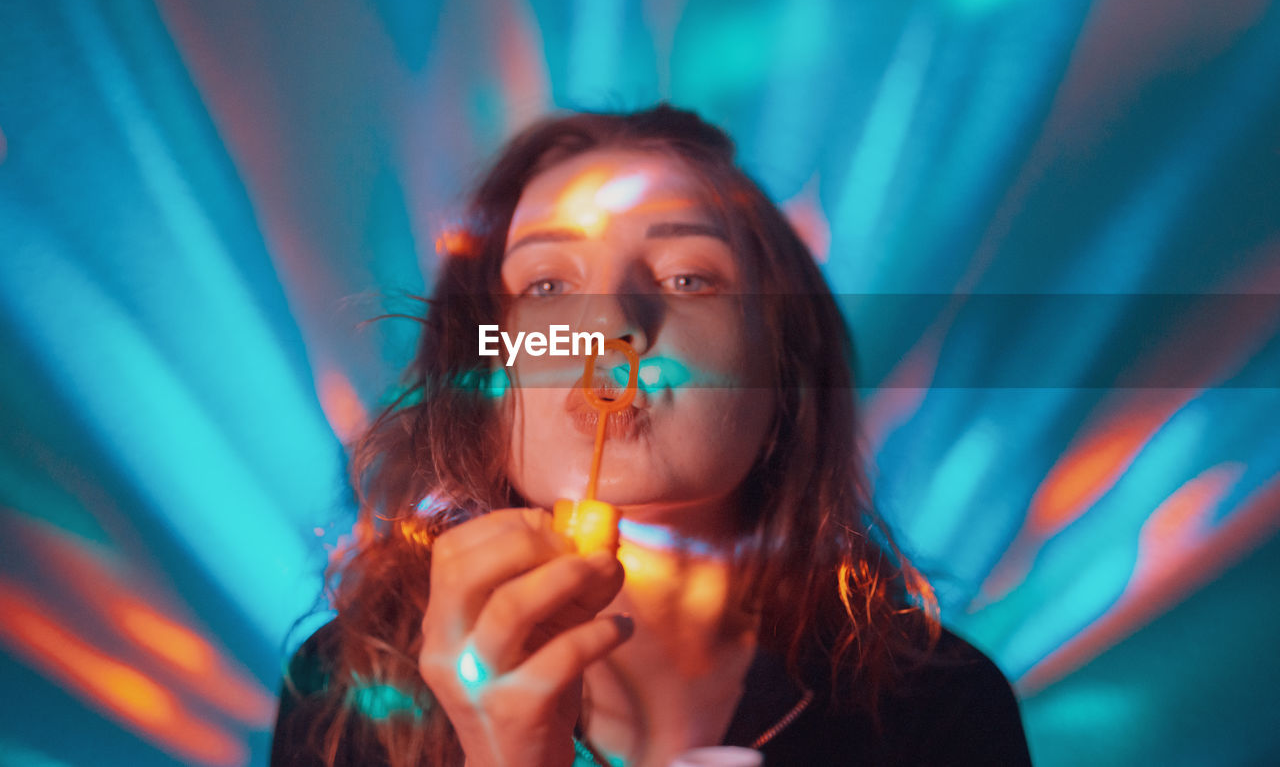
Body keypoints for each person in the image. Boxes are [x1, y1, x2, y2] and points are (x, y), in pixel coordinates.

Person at [269, 105, 1033, 766]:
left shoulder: (936, 708)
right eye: (547, 285)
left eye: (688, 277)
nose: (610, 324)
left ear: (784, 367)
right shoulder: (348, 696)